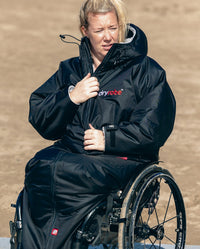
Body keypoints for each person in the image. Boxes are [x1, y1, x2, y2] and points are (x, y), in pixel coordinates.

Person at [21, 0, 176, 248]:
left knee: (69, 172)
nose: (108, 37)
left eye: (113, 28)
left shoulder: (146, 71)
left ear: (121, 26)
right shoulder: (70, 69)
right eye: (99, 30)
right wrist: (71, 97)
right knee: (40, 165)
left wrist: (109, 139)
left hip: (121, 159)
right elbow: (40, 117)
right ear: (85, 31)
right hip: (73, 152)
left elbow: (154, 127)